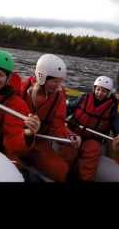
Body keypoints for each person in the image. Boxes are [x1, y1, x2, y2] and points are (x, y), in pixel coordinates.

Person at [18, 54, 81, 182]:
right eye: (54, 81)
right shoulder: (22, 88)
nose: (58, 86)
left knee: (60, 170)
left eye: (60, 82)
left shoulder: (59, 97)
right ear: (42, 77)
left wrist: (69, 136)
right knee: (14, 169)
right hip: (17, 138)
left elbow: (58, 126)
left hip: (40, 143)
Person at [65, 75, 119, 181]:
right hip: (74, 133)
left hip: (93, 139)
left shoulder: (112, 110)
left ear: (108, 93)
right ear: (94, 88)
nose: (100, 93)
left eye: (104, 91)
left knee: (92, 152)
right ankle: (63, 176)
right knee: (68, 151)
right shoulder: (83, 98)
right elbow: (69, 108)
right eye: (98, 89)